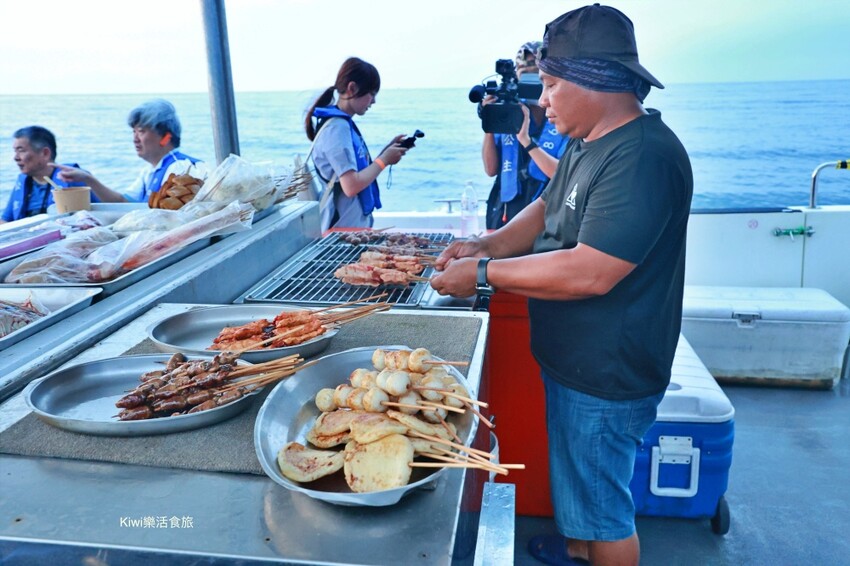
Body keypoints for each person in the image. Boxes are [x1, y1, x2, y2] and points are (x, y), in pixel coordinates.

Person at [431, 5, 693, 565]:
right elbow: (548, 204)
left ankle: (597, 547)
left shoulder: (643, 157)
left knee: (606, 510)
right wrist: (490, 243)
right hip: (573, 357)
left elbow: (591, 270)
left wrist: (480, 275)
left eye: (550, 85)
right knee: (580, 477)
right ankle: (578, 546)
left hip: (608, 370)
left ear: (593, 80)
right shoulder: (587, 139)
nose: (542, 100)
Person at [304, 57, 408, 231]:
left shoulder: (342, 124)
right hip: (340, 233)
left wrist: (386, 153)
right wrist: (383, 161)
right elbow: (351, 186)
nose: (373, 101)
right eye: (372, 94)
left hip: (351, 230)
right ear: (352, 88)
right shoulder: (336, 128)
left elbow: (357, 173)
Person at [481, 41, 569, 229]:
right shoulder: (508, 110)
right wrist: (489, 121)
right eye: (524, 68)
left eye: (535, 68)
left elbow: (564, 175)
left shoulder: (562, 113)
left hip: (546, 209)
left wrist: (527, 142)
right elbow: (490, 169)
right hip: (506, 209)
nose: (530, 73)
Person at [54, 99, 204, 203]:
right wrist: (87, 179)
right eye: (133, 132)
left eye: (141, 131)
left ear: (165, 136)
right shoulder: (149, 172)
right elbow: (122, 201)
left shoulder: (182, 167)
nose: (135, 139)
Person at [3, 126, 97, 223]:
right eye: (15, 151)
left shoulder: (73, 178)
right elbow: (5, 220)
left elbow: (106, 210)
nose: (16, 157)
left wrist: (88, 179)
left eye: (21, 150)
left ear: (45, 153)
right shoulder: (23, 182)